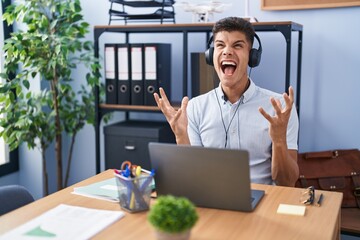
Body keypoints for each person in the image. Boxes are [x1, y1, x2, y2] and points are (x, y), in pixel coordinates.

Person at [154, 17, 299, 187]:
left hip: (263, 201)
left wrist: (279, 140)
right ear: (211, 55)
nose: (227, 51)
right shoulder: (196, 107)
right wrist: (180, 136)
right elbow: (192, 176)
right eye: (220, 45)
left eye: (237, 45)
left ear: (252, 56)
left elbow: (287, 181)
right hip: (212, 199)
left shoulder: (279, 108)